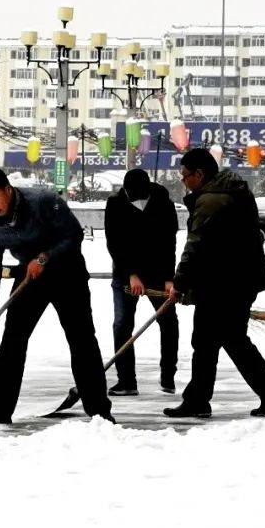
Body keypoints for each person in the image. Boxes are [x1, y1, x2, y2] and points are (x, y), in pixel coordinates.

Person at [0, 166, 113, 425]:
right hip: (30, 278)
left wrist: (44, 257)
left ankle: (99, 411)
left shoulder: (44, 202)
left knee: (81, 339)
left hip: (67, 273)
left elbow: (74, 235)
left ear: (8, 189)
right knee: (13, 341)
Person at [165, 148, 265, 419]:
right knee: (215, 341)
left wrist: (179, 281)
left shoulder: (212, 200)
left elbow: (196, 245)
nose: (183, 181)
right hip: (234, 280)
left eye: (185, 176)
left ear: (200, 174)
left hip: (225, 283)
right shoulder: (231, 191)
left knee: (222, 340)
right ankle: (202, 399)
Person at [103, 168, 179, 396]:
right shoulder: (116, 203)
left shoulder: (162, 201)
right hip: (126, 276)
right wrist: (131, 274)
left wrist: (168, 279)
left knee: (169, 323)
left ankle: (168, 377)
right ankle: (126, 381)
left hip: (158, 274)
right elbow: (115, 243)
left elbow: (168, 242)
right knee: (122, 325)